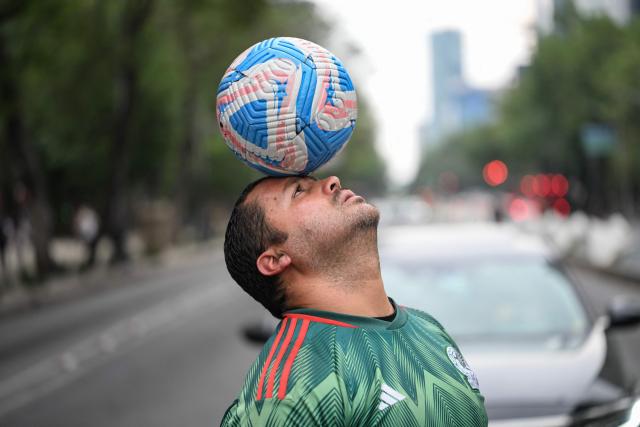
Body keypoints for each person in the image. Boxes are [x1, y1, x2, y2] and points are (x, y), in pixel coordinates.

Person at [221, 175, 488, 426]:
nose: (332, 181)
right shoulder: (289, 391)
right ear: (276, 259)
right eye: (299, 192)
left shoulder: (428, 327)